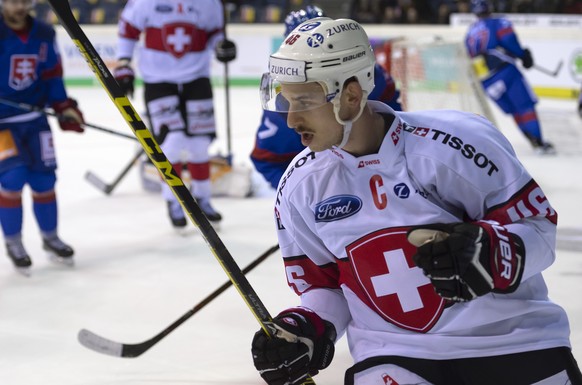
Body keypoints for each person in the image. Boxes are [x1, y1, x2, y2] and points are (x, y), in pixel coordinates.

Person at [250, 17, 582, 385]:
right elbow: (325, 286)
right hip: (394, 355)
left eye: (306, 101)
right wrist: (305, 329)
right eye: (285, 98)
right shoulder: (299, 186)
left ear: (352, 95)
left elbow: (540, 232)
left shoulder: (458, 145)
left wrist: (490, 252)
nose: (291, 119)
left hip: (515, 342)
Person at [250, 5, 402, 190]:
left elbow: (394, 119)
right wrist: (303, 187)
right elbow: (265, 159)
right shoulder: (284, 107)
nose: (291, 119)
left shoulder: (369, 74)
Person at [114, 0, 236, 229]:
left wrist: (221, 45)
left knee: (199, 144)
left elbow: (214, 32)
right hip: (157, 80)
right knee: (170, 143)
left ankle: (203, 199)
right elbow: (128, 27)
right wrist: (123, 61)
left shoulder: (210, 3)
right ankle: (174, 200)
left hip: (197, 78)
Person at [0, 0, 85, 275]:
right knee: (12, 180)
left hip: (35, 119)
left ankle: (51, 238)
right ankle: (14, 243)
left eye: (25, 0)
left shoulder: (44, 33)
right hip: (1, 124)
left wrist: (63, 106)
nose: (20, 6)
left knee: (44, 180)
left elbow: (52, 75)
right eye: (14, 1)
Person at [464, 0, 555, 155]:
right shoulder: (499, 22)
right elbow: (508, 40)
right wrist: (522, 55)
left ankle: (531, 140)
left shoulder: (470, 32)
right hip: (505, 72)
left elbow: (469, 56)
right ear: (490, 7)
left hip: (486, 82)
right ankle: (539, 143)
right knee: (525, 107)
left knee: (514, 111)